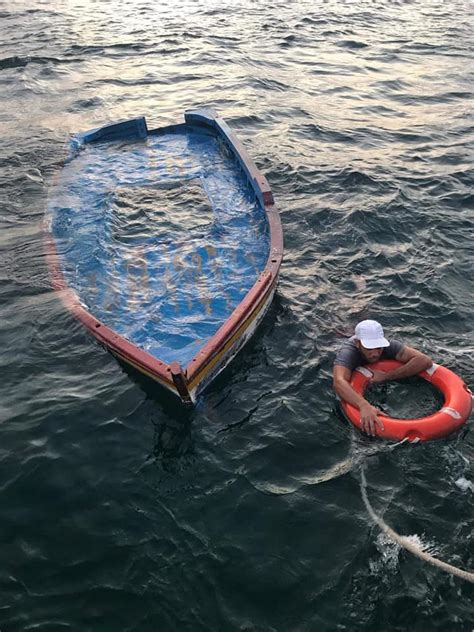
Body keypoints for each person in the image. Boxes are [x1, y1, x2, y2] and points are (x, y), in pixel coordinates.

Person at [333, 319, 433, 436]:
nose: (375, 353)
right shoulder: (349, 352)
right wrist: (364, 405)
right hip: (338, 340)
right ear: (358, 343)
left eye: (378, 347)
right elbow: (339, 382)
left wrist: (387, 376)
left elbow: (425, 360)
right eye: (369, 348)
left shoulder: (388, 345)